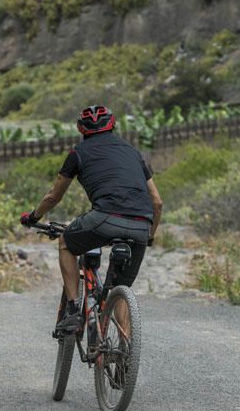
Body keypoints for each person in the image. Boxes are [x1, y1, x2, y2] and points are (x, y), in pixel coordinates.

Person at [20, 105, 163, 334]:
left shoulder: (77, 153)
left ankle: (74, 310)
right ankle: (124, 357)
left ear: (80, 128)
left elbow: (53, 196)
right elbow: (157, 202)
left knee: (66, 243)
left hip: (104, 219)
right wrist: (150, 237)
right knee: (121, 287)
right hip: (141, 225)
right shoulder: (133, 152)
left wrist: (33, 216)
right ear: (113, 125)